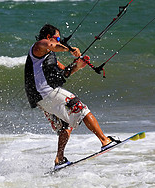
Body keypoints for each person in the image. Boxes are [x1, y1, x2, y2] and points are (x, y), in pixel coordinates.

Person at [24, 24, 120, 170]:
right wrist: (70, 49)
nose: (59, 40)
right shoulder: (39, 46)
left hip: (42, 99)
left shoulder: (50, 57)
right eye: (57, 38)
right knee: (81, 109)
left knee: (65, 125)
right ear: (49, 37)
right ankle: (105, 140)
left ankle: (59, 159)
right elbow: (50, 45)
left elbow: (65, 72)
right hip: (47, 93)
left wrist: (78, 65)